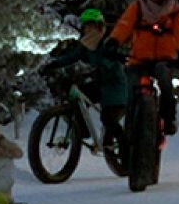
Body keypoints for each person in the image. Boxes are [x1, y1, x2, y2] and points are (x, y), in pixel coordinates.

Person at [109, 0, 179, 136]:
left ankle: (168, 119)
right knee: (131, 88)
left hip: (164, 59)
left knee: (165, 82)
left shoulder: (175, 12)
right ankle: (130, 126)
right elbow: (124, 26)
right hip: (138, 59)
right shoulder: (137, 8)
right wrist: (114, 41)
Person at [44, 8, 129, 152]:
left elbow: (115, 58)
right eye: (86, 26)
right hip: (101, 84)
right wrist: (53, 64)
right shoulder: (86, 44)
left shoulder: (108, 42)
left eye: (92, 26)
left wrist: (114, 57)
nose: (88, 29)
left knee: (109, 120)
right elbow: (72, 57)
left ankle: (126, 150)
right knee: (76, 97)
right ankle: (82, 130)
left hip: (116, 87)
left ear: (99, 26)